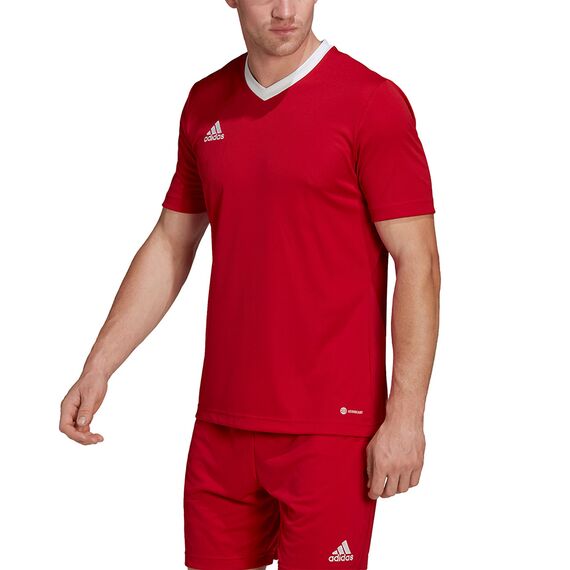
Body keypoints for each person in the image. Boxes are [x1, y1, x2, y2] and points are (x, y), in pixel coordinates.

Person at [59, 1, 441, 568]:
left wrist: (406, 413)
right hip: (222, 422)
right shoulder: (206, 103)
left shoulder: (371, 102)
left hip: (329, 429)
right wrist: (98, 367)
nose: (285, 9)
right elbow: (171, 242)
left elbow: (419, 262)